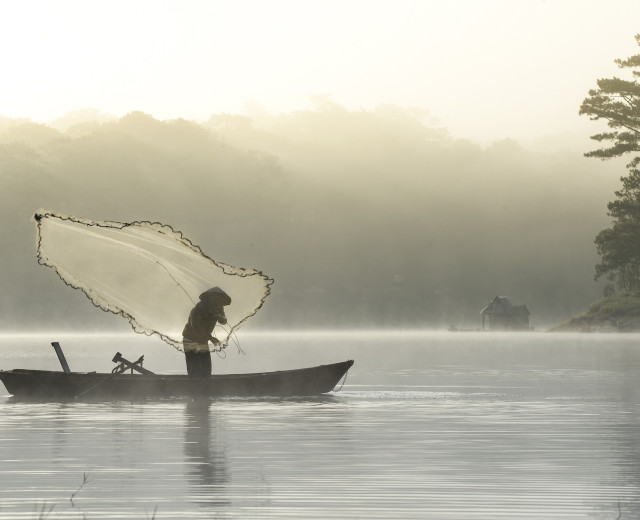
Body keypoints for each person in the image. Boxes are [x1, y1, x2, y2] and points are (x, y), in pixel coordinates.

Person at [182, 287, 231, 377]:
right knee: (194, 370)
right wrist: (211, 338)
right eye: (215, 298)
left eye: (219, 299)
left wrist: (221, 317)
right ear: (209, 297)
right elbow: (196, 327)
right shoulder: (199, 307)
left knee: (206, 369)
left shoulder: (219, 308)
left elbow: (223, 321)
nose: (217, 301)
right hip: (190, 339)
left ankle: (205, 385)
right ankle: (194, 386)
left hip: (203, 340)